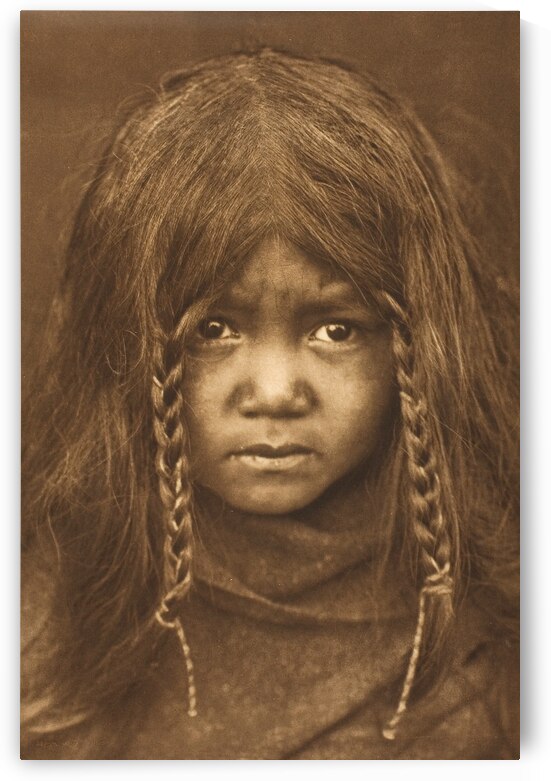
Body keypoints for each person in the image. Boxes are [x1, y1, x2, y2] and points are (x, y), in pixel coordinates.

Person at [21, 48, 519, 759]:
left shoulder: (503, 634)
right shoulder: (49, 623)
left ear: (422, 346)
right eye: (212, 330)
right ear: (124, 348)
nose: (278, 390)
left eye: (335, 329)